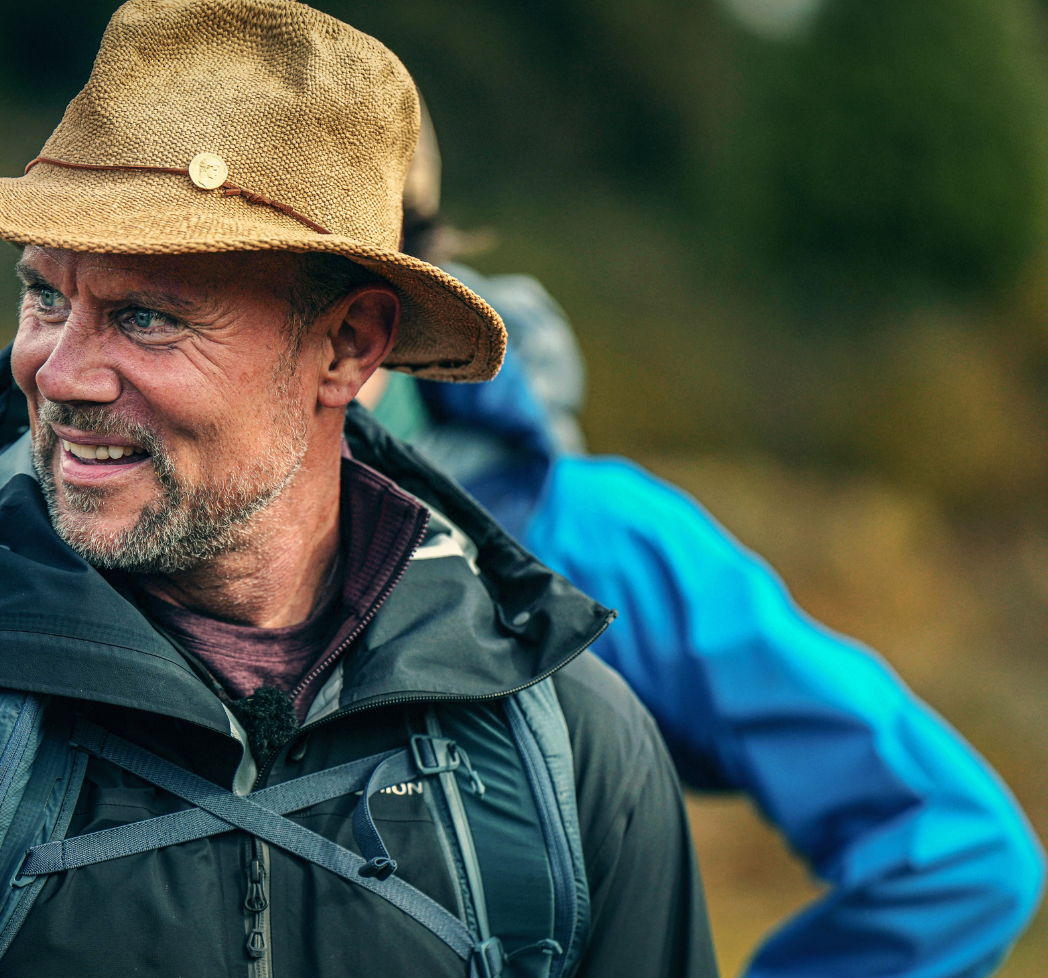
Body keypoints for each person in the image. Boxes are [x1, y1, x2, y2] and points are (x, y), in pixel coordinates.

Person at [0, 2, 719, 977]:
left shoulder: (570, 750)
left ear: (349, 348)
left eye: (146, 316)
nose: (57, 368)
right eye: (46, 295)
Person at [356, 112, 1046, 978]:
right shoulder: (148, 533)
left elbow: (955, 852)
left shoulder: (590, 540)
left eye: (319, 272)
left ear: (412, 289)